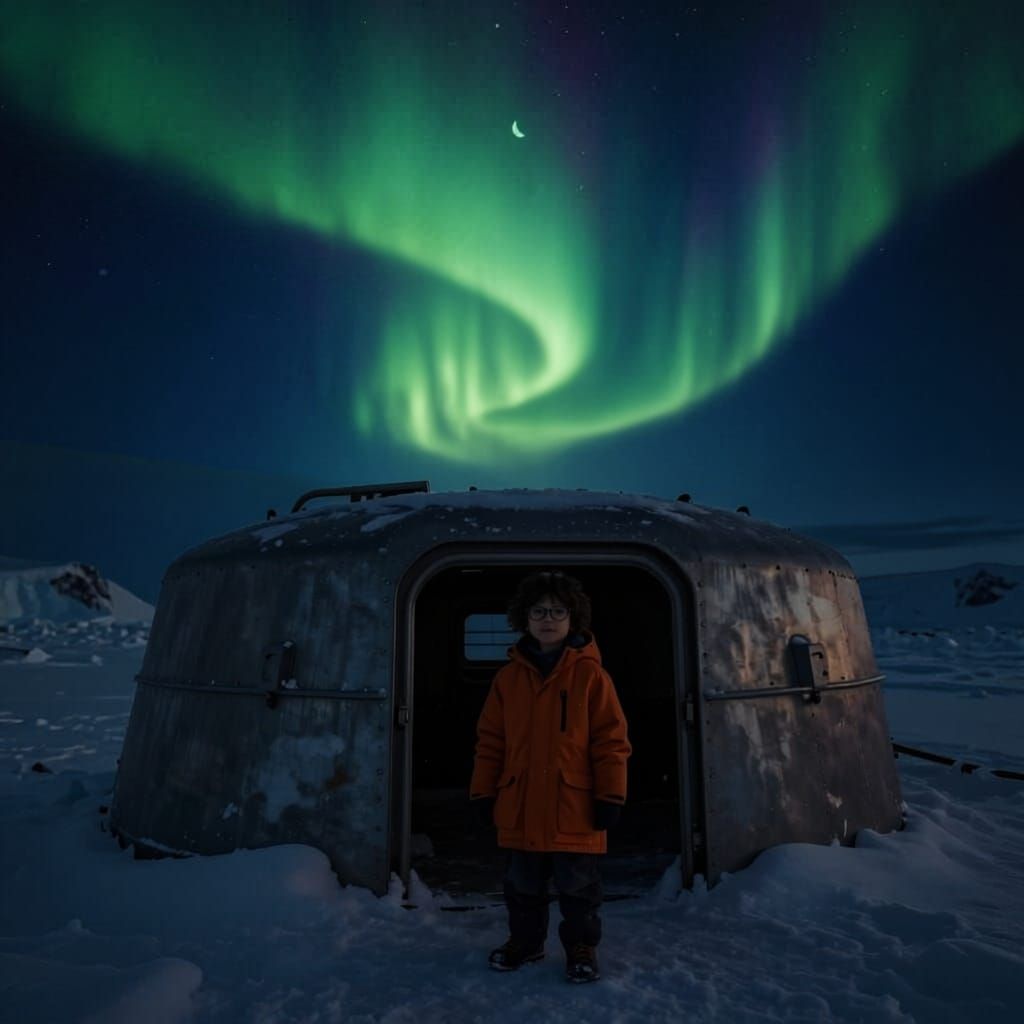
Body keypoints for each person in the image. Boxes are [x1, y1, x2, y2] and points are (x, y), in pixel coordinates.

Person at [469, 570, 631, 983]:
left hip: (572, 804)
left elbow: (611, 741)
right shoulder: (507, 679)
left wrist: (611, 796)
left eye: (558, 611)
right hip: (520, 804)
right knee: (522, 885)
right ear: (524, 618)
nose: (548, 619)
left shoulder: (592, 677)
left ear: (573, 619)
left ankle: (581, 949)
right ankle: (525, 943)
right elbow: (491, 742)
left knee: (578, 888)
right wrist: (483, 793)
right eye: (538, 611)